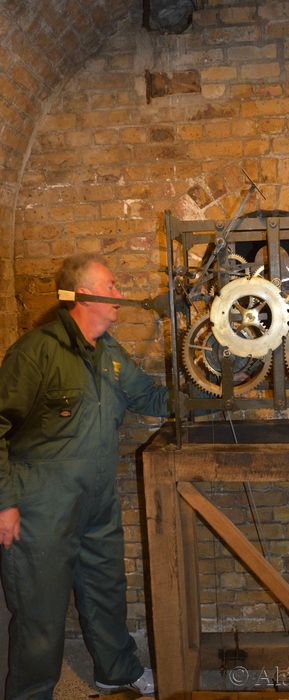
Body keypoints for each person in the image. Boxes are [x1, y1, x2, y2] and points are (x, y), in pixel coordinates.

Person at [0, 253, 171, 699]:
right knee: (40, 611)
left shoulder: (110, 353)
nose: (120, 294)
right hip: (41, 505)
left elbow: (150, 400)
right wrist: (4, 502)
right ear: (84, 295)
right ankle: (31, 693)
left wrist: (216, 389)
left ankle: (114, 671)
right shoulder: (35, 351)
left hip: (97, 498)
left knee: (106, 589)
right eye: (112, 286)